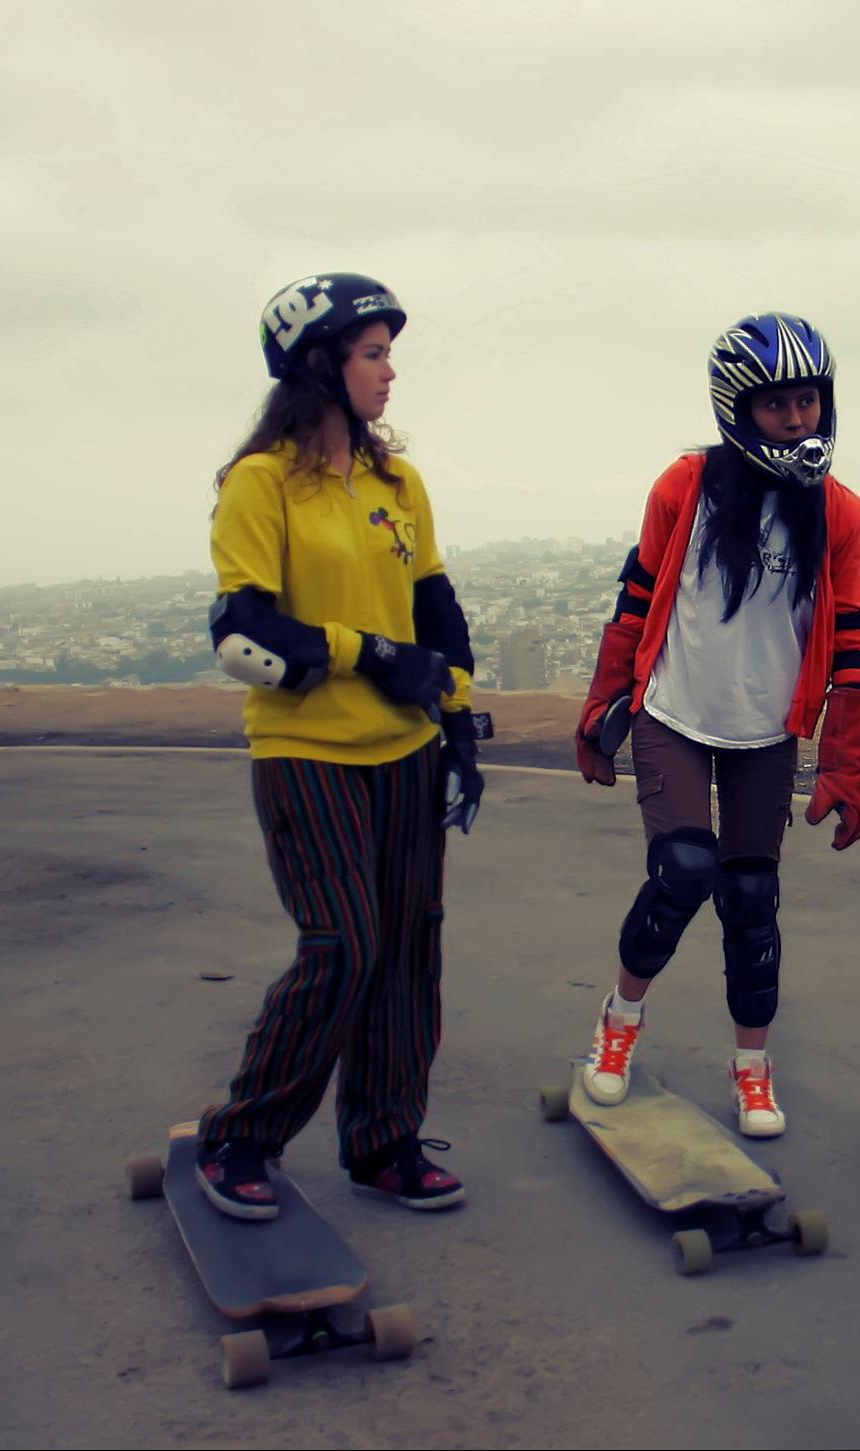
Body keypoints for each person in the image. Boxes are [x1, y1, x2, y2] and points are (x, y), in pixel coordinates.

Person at [195, 272, 485, 1220]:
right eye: (374, 354)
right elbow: (245, 636)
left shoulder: (400, 483)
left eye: (390, 354)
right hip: (306, 753)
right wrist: (374, 654)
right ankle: (241, 1137)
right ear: (321, 365)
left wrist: (457, 712)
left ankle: (385, 1140)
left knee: (409, 949)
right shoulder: (261, 483)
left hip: (404, 751)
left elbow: (437, 607)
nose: (390, 372)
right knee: (344, 946)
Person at [575, 312, 860, 1138]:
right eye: (777, 404)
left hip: (765, 729)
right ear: (737, 408)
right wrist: (603, 703)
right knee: (681, 870)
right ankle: (618, 1025)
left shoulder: (841, 514)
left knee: (751, 897)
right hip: (674, 711)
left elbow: (853, 642)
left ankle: (752, 1068)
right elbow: (637, 596)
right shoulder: (686, 486)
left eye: (809, 401)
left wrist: (850, 764)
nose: (797, 419)